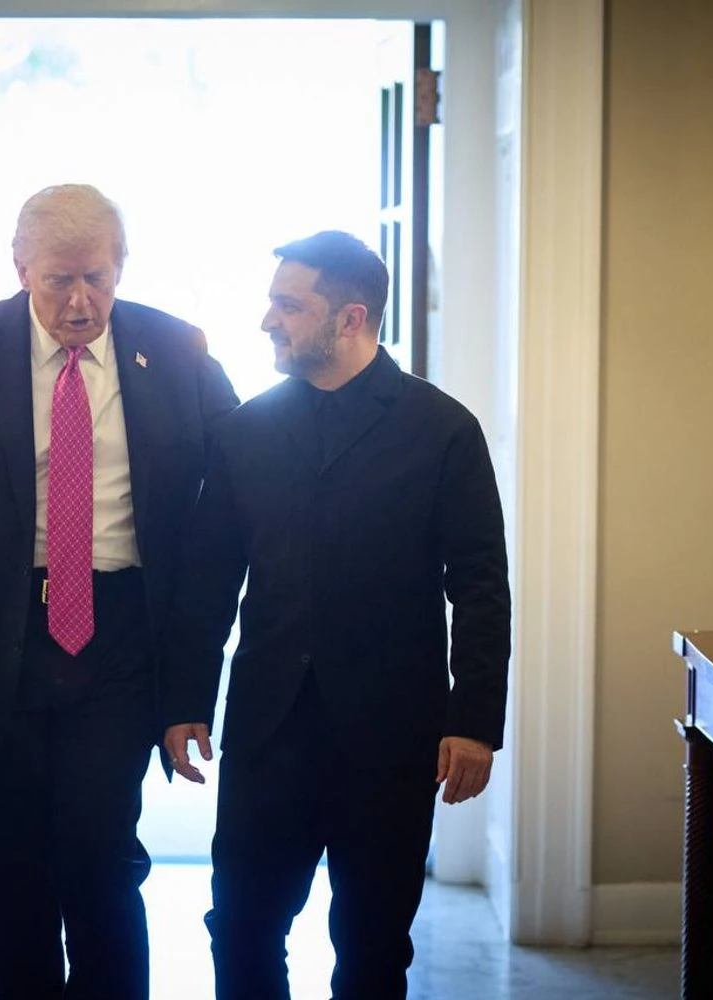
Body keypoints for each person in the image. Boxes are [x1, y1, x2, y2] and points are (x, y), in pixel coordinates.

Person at [0, 183, 239, 1000]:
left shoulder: (175, 348)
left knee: (100, 863)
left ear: (121, 267)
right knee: (3, 880)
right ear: (20, 269)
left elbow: (249, 462)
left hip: (117, 641)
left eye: (96, 279)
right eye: (58, 281)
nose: (79, 302)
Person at [161, 230, 511, 1000]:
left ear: (351, 319)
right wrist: (185, 700)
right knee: (242, 926)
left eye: (289, 306)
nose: (268, 321)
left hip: (393, 733)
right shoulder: (244, 431)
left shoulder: (443, 430)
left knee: (374, 943)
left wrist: (475, 721)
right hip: (268, 731)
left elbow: (481, 586)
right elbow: (208, 581)